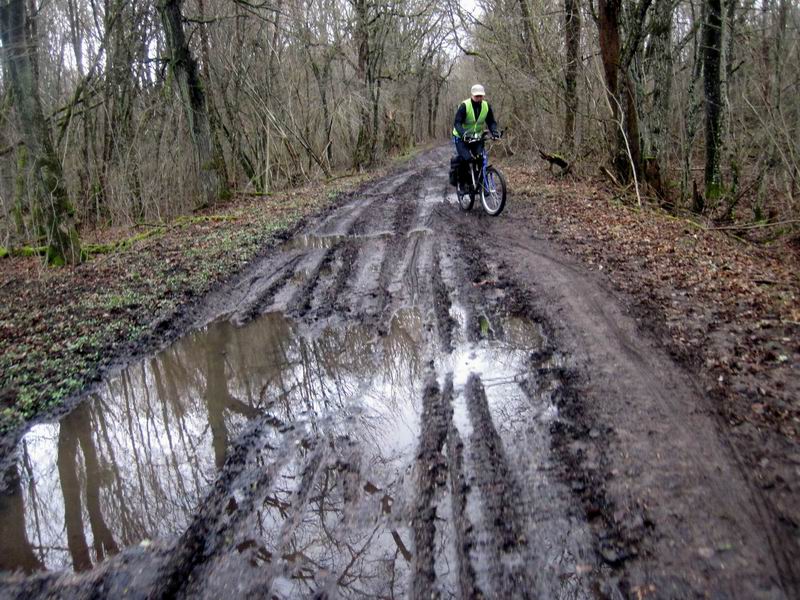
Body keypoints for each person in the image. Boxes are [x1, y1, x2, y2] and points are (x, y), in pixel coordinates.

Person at [450, 84, 500, 190]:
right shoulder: (465, 106)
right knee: (466, 158)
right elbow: (457, 123)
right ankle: (463, 182)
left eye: (481, 96)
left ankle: (479, 182)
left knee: (480, 158)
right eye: (476, 96)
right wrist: (464, 134)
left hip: (476, 137)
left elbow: (491, 122)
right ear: (472, 95)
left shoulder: (486, 106)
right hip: (460, 137)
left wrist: (494, 131)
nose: (479, 98)